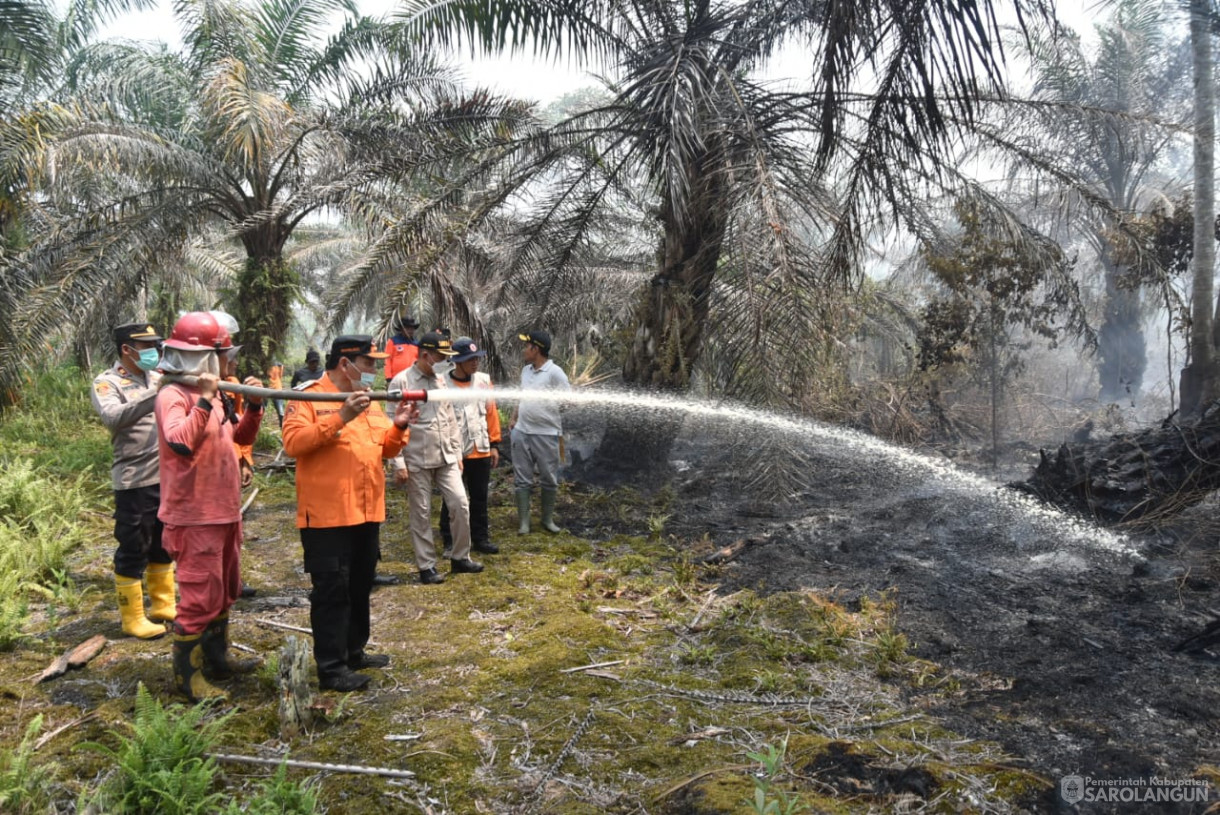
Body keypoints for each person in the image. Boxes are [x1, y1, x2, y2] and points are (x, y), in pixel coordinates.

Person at [282, 335, 419, 692]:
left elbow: (384, 450)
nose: (376, 370)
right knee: (332, 591)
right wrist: (341, 416)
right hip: (327, 518)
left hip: (366, 512)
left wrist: (400, 425)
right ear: (346, 363)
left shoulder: (369, 402)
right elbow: (293, 444)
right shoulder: (309, 396)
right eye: (370, 363)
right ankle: (331, 668)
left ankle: (354, 650)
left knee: (360, 585)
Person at [157, 311, 264, 702]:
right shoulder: (173, 395)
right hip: (193, 515)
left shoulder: (217, 395)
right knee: (199, 596)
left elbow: (237, 437)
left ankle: (219, 659)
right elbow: (180, 442)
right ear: (204, 358)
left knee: (224, 591)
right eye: (225, 354)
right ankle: (189, 678)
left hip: (224, 510)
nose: (231, 362)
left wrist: (252, 407)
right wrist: (203, 398)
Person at [91, 322, 176, 640]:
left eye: (157, 345)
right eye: (148, 346)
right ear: (127, 349)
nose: (155, 352)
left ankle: (163, 605)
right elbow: (113, 418)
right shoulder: (107, 382)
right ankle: (132, 618)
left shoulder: (157, 376)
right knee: (133, 546)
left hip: (166, 476)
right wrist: (155, 396)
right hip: (135, 480)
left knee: (162, 542)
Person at [389, 332, 484, 584]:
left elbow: (449, 417)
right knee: (421, 513)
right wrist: (398, 463)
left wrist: (456, 452)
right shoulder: (402, 382)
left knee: (460, 504)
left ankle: (460, 557)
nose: (445, 361)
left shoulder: (441, 381)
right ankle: (426, 565)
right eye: (441, 357)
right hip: (416, 459)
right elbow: (392, 424)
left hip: (446, 456)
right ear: (425, 355)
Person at [439, 337, 501, 556]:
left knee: (480, 497)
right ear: (457, 361)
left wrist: (494, 444)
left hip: (481, 448)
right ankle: (449, 539)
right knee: (453, 499)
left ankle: (480, 539)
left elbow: (491, 413)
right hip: (454, 452)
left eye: (477, 358)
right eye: (470, 359)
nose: (475, 363)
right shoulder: (442, 383)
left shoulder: (484, 381)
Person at [509, 330, 570, 534]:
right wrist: (514, 416)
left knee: (548, 478)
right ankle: (524, 523)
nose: (524, 350)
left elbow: (567, 402)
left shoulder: (555, 373)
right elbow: (521, 395)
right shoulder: (526, 370)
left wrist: (548, 407)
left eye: (527, 346)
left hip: (546, 433)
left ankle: (547, 520)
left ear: (536, 349)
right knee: (522, 478)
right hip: (522, 431)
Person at [383, 316, 420, 381]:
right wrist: (388, 377)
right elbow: (387, 360)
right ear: (401, 329)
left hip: (412, 378)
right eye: (408, 328)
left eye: (412, 328)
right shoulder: (392, 341)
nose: (410, 331)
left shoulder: (417, 344)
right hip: (396, 378)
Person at [267, 360, 285, 425]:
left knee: (279, 408)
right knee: (280, 408)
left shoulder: (268, 369)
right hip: (278, 389)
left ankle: (282, 423)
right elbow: (280, 375)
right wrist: (281, 366)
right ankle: (282, 423)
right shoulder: (278, 368)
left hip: (271, 389)